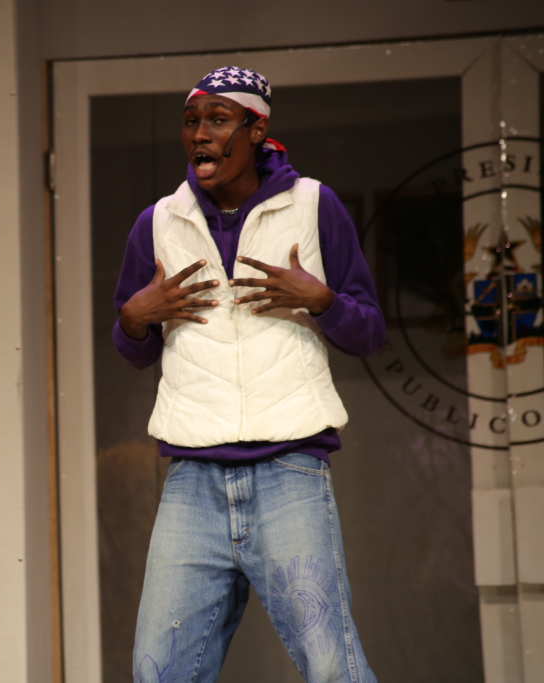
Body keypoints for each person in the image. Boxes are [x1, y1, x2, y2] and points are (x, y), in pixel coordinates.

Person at [115, 67, 384, 683]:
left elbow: (369, 332)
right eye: (191, 122)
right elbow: (135, 349)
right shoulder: (158, 221)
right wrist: (133, 320)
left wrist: (323, 301)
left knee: (330, 665)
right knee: (159, 671)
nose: (200, 135)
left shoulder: (312, 205)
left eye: (217, 120)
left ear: (257, 129)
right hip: (192, 480)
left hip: (289, 469)